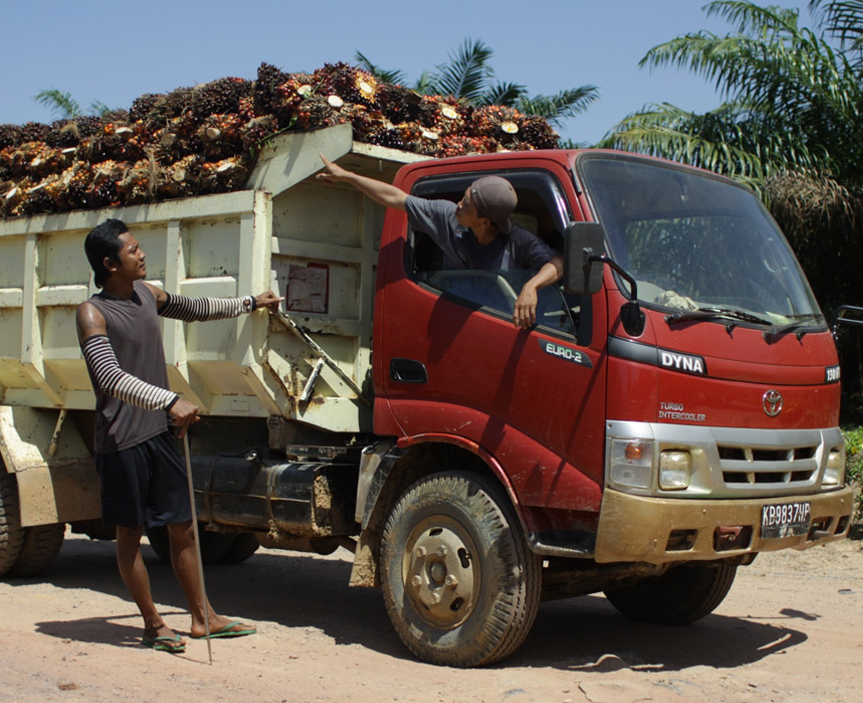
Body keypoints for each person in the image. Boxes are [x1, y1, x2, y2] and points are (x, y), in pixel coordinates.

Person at [76, 217, 281, 654]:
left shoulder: (148, 294)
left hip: (158, 433)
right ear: (110, 263)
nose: (142, 254)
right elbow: (109, 377)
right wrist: (169, 400)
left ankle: (203, 617)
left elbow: (195, 308)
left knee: (183, 527)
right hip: (122, 441)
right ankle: (152, 623)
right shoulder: (93, 313)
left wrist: (250, 302)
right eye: (133, 250)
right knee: (130, 535)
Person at [316, 153, 563, 328]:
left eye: (466, 205)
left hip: (497, 327)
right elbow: (394, 198)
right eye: (463, 197)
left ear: (485, 222)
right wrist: (348, 176)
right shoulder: (447, 217)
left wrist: (531, 287)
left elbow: (558, 263)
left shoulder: (518, 241)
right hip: (451, 322)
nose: (458, 205)